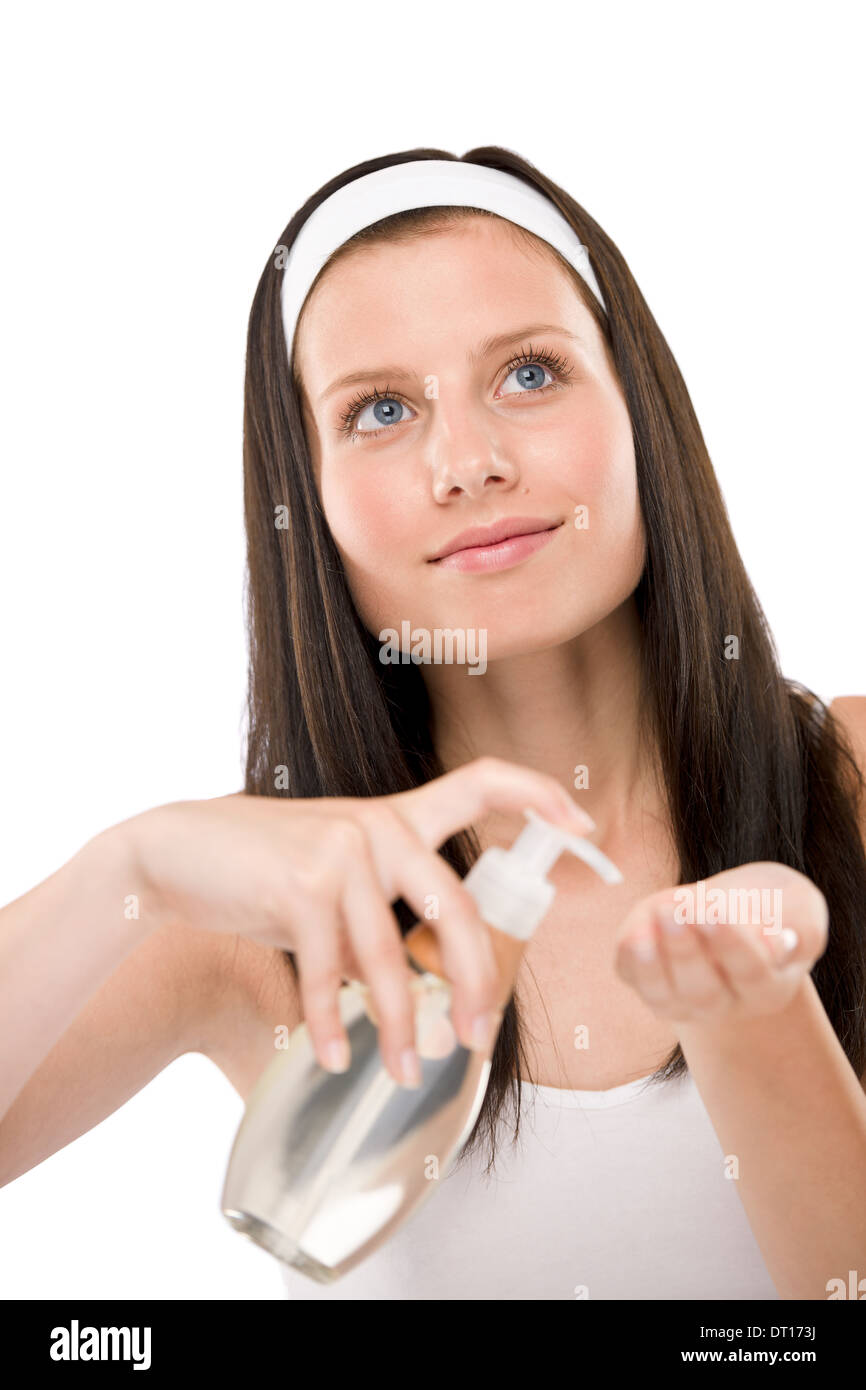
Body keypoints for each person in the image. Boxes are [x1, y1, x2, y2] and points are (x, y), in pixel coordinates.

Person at [2, 147, 865, 1302]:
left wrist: (759, 1017)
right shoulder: (257, 913)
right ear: (306, 492)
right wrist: (130, 867)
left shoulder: (850, 781)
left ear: (637, 406)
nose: (468, 463)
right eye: (380, 410)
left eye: (528, 373)